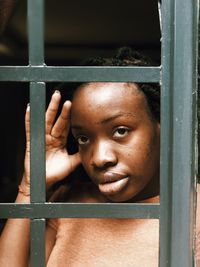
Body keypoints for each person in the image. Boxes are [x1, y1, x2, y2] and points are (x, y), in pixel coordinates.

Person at [0, 47, 198, 267]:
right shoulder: (69, 202)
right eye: (84, 138)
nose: (99, 158)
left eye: (120, 131)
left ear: (161, 126)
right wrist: (30, 187)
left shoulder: (194, 209)